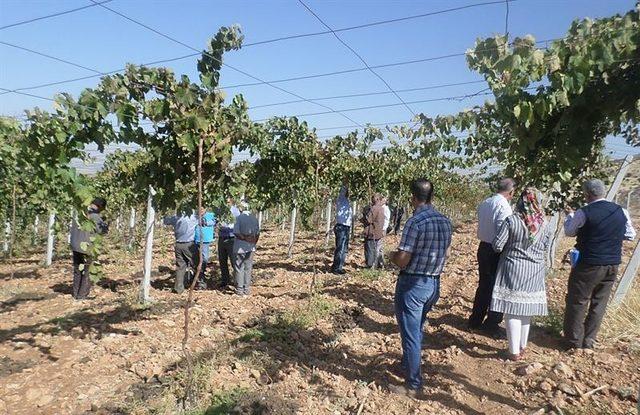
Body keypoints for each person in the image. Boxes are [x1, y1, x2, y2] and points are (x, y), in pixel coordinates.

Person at [389, 179, 452, 397]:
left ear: (413, 198)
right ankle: (406, 365)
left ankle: (413, 385)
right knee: (417, 329)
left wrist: (391, 256)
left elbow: (403, 259)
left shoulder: (415, 222)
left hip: (413, 284)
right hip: (433, 284)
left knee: (411, 334)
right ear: (431, 196)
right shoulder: (445, 221)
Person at [562, 179, 636, 350]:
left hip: (589, 264)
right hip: (612, 264)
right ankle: (589, 340)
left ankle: (574, 341)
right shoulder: (621, 211)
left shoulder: (584, 212)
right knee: (599, 302)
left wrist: (570, 218)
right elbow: (630, 234)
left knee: (578, 301)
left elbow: (569, 231)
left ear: (587, 194)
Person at [490, 188, 551, 361]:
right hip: (535, 270)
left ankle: (513, 351)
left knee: (512, 310)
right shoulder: (545, 224)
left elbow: (497, 245)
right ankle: (522, 346)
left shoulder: (512, 221)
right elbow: (546, 247)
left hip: (513, 268)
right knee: (526, 310)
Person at [468, 178, 516, 335]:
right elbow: (504, 231)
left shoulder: (486, 202)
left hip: (483, 247)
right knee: (497, 287)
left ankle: (475, 320)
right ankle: (492, 323)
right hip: (496, 249)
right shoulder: (504, 207)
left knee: (484, 285)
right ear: (511, 192)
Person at [69, 198, 109, 300]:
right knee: (87, 271)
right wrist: (106, 223)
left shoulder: (80, 213)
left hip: (75, 246)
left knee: (77, 270)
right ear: (100, 207)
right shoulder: (95, 217)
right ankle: (82, 296)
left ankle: (75, 293)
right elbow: (102, 231)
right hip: (87, 248)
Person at [163, 208, 198, 294]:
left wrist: (164, 213)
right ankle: (197, 284)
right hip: (189, 245)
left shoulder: (176, 217)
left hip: (178, 245)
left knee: (180, 267)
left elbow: (165, 221)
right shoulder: (194, 218)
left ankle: (178, 288)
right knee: (197, 264)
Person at [233, 201, 260, 296]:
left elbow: (236, 232)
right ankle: (247, 289)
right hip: (251, 247)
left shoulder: (238, 218)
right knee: (248, 267)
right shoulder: (254, 218)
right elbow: (257, 233)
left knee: (239, 267)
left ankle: (240, 290)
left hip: (240, 246)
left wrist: (245, 238)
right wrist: (253, 242)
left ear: (240, 209)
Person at [218, 198, 241, 289]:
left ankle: (237, 282)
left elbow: (238, 223)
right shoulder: (220, 210)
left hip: (232, 238)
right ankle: (225, 280)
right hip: (221, 237)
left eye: (227, 202)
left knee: (234, 261)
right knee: (222, 261)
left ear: (231, 201)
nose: (226, 203)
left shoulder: (235, 211)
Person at [331, 185, 352, 275]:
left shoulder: (346, 201)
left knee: (344, 248)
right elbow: (343, 189)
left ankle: (339, 266)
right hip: (341, 227)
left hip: (346, 227)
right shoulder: (341, 198)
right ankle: (336, 268)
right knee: (340, 248)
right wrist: (346, 180)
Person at [193, 206, 216, 290]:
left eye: (202, 209)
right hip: (195, 240)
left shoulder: (211, 215)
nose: (201, 211)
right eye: (199, 209)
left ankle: (201, 278)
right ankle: (197, 278)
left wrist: (204, 222)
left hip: (205, 241)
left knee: (204, 259)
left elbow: (215, 222)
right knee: (196, 260)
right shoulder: (194, 215)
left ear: (206, 209)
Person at [363, 193, 385, 269]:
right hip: (378, 233)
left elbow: (369, 220)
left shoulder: (374, 208)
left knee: (370, 250)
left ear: (376, 199)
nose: (371, 200)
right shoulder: (381, 208)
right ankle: (376, 265)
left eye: (373, 198)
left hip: (372, 233)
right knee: (376, 250)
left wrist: (365, 214)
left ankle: (369, 265)